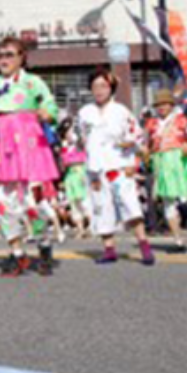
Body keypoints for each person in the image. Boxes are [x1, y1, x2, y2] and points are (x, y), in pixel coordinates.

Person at [0, 37, 58, 277]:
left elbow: (50, 106)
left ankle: (44, 245)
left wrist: (46, 114)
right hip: (0, 144)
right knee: (2, 201)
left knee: (33, 201)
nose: (3, 59)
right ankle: (17, 253)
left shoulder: (33, 82)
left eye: (9, 54)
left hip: (28, 143)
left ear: (22, 57)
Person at [77, 68, 155, 266]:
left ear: (111, 88)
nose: (99, 90)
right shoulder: (85, 112)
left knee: (129, 204)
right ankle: (109, 249)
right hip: (95, 168)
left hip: (119, 165)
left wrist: (132, 154)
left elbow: (137, 135)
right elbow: (82, 138)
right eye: (95, 86)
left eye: (103, 86)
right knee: (101, 206)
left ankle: (144, 246)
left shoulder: (121, 111)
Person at [146, 89, 187, 250]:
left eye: (165, 103)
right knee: (168, 203)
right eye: (159, 104)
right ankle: (178, 240)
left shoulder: (181, 120)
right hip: (162, 162)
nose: (162, 107)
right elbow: (146, 145)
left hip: (182, 162)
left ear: (171, 105)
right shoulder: (151, 124)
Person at [58, 118, 91, 238]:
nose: (68, 134)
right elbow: (63, 164)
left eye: (70, 130)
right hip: (69, 175)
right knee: (73, 204)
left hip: (79, 172)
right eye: (66, 131)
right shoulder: (64, 146)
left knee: (83, 202)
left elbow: (84, 157)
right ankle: (80, 229)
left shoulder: (79, 145)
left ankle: (91, 227)